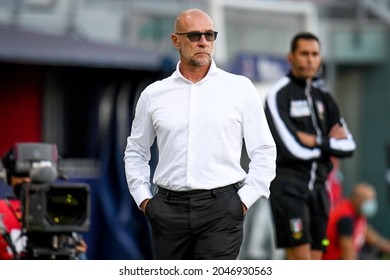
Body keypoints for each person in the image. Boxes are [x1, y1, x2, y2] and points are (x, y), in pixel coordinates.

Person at [124, 8, 276, 260]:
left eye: (209, 35)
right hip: (167, 209)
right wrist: (144, 200)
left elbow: (264, 150)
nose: (204, 42)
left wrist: (244, 201)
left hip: (222, 208)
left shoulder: (239, 88)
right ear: (176, 41)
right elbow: (136, 151)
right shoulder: (154, 94)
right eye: (195, 36)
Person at [264, 32, 356, 260]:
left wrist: (317, 141)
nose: (310, 59)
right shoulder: (278, 94)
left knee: (317, 259)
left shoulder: (324, 96)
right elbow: (291, 147)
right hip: (290, 189)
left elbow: (349, 146)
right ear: (291, 57)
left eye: (315, 54)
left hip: (320, 190)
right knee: (300, 258)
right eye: (304, 54)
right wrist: (330, 146)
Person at [323, 182, 390, 259]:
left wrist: (383, 244)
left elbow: (366, 232)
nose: (370, 203)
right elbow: (347, 252)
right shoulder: (345, 217)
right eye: (367, 200)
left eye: (372, 199)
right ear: (356, 199)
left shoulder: (358, 212)